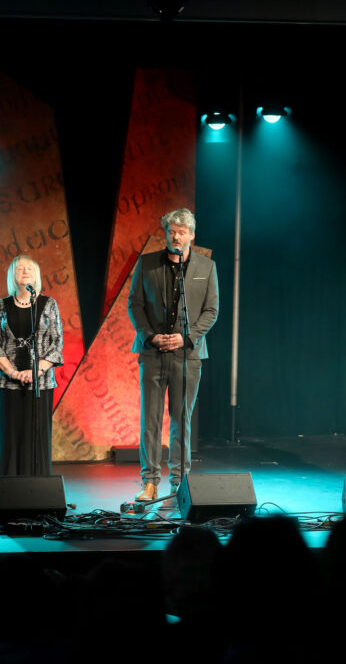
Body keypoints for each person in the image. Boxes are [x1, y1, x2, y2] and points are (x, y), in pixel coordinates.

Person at [128, 209, 219, 502]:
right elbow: (135, 304)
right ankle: (150, 482)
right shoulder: (146, 263)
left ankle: (180, 481)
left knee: (182, 419)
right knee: (150, 421)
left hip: (187, 355)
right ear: (166, 233)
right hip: (153, 353)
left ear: (191, 235)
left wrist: (187, 336)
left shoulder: (206, 267)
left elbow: (211, 311)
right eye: (171, 231)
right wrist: (150, 336)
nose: (176, 236)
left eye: (181, 232)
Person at [0, 255, 64, 476]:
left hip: (41, 384)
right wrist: (13, 373)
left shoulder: (49, 304)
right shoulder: (1, 306)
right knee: (12, 437)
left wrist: (36, 371)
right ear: (12, 275)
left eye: (30, 267)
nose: (25, 270)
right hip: (9, 384)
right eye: (20, 268)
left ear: (37, 274)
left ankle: (39, 489)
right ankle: (11, 490)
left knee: (37, 438)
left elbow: (57, 343)